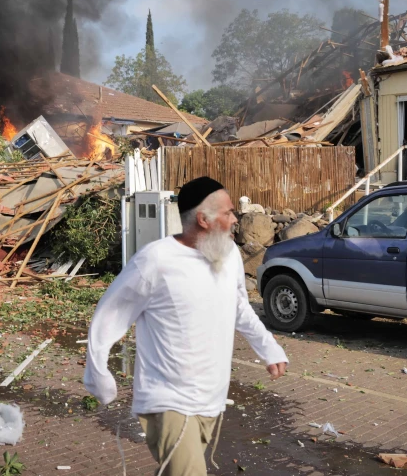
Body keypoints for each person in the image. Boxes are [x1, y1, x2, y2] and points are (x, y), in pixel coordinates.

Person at [84, 176, 289, 476]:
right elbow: (109, 315)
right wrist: (98, 377)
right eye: (228, 213)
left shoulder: (228, 255)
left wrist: (269, 348)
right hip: (168, 402)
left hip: (211, 399)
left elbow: (239, 307)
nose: (235, 219)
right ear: (204, 219)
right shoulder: (155, 261)